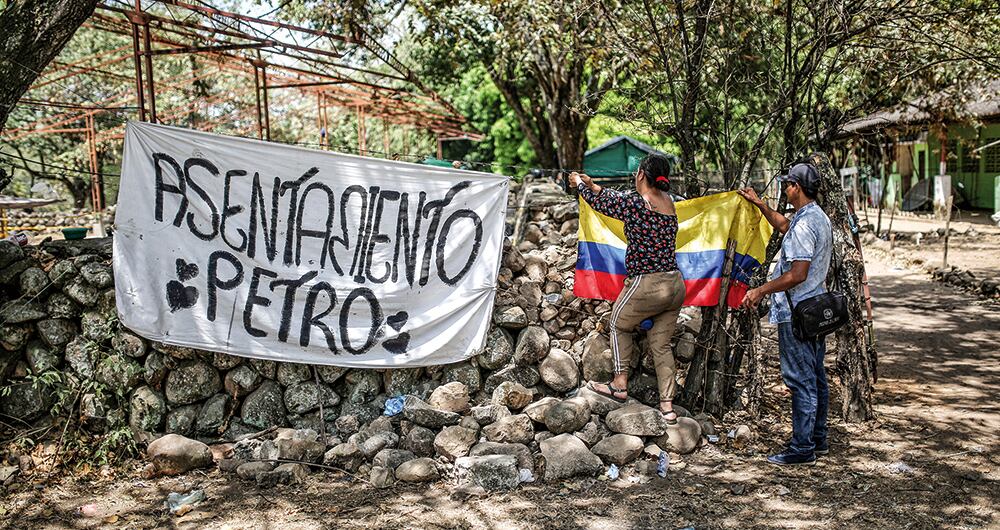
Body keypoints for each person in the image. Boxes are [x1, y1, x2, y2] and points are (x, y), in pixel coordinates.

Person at [574, 154, 686, 423]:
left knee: (618, 324)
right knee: (661, 346)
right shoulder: (668, 203)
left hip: (647, 282)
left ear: (639, 175)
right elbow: (612, 197)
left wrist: (579, 184)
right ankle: (668, 407)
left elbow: (602, 203)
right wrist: (594, 184)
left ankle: (619, 383)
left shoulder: (637, 204)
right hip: (674, 285)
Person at [738, 162, 832, 466]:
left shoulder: (806, 223)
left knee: (799, 379)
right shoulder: (814, 217)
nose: (785, 189)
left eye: (788, 184)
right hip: (814, 310)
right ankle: (818, 438)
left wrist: (761, 290)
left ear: (797, 187)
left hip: (797, 312)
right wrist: (761, 204)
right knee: (815, 375)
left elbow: (798, 273)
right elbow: (784, 226)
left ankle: (802, 448)